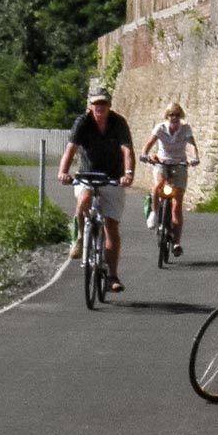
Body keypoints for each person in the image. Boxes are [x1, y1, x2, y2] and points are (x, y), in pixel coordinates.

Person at [60, 83, 135, 291]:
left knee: (111, 228)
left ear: (109, 105)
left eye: (103, 103)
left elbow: (127, 151)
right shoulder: (82, 122)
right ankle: (81, 238)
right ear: (90, 106)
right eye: (96, 104)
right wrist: (63, 172)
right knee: (84, 199)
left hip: (112, 177)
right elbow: (70, 150)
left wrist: (128, 174)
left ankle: (112, 276)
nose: (100, 107)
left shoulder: (118, 123)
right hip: (87, 174)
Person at [141, 101, 199, 254]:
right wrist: (145, 155)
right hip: (162, 162)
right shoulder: (160, 128)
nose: (174, 118)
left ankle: (176, 243)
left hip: (179, 164)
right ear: (167, 116)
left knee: (176, 205)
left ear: (181, 117)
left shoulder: (185, 129)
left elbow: (192, 144)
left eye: (177, 115)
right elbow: (149, 143)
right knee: (158, 186)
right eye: (171, 115)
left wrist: (195, 157)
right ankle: (154, 213)